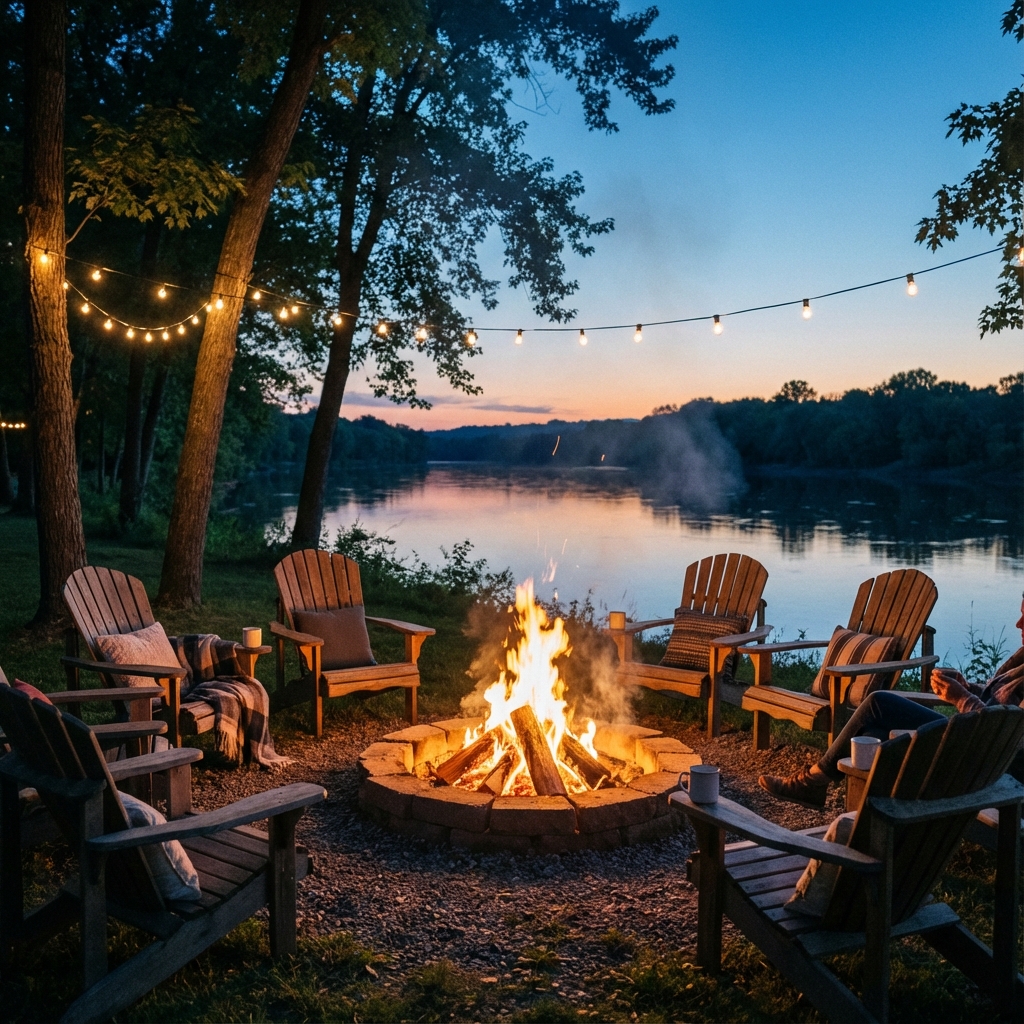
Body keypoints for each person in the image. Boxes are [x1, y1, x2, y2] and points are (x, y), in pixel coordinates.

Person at [758, 597, 1024, 809]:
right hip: (975, 740)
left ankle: (814, 781)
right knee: (875, 735)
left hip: (988, 759)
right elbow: (1000, 697)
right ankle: (867, 820)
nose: (1018, 624)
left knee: (879, 703)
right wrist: (970, 687)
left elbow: (1012, 732)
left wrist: (962, 698)